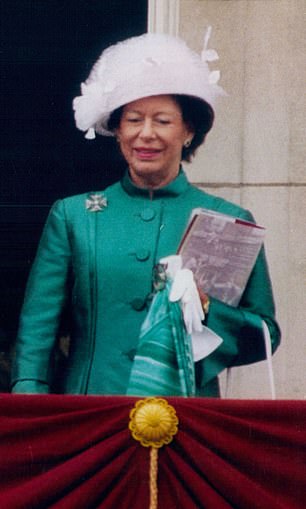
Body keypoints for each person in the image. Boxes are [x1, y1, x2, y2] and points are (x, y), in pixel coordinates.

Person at [11, 30, 280, 397]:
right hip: (91, 412)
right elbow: (37, 330)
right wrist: (31, 406)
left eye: (163, 121)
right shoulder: (74, 216)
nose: (146, 134)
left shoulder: (227, 219)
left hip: (188, 416)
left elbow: (265, 332)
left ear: (188, 131)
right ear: (118, 129)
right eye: (134, 119)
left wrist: (205, 309)